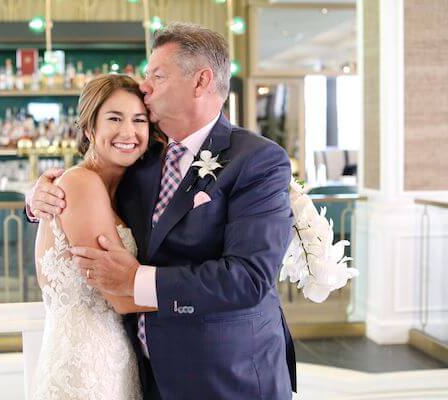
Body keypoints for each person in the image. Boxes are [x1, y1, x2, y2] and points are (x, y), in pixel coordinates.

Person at [27, 22, 297, 400]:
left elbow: (249, 278)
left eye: (157, 75)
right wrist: (39, 197)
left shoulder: (257, 160)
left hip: (227, 378)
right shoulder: (142, 158)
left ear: (200, 82)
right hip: (145, 376)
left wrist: (135, 281)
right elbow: (90, 183)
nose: (145, 86)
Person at [30, 74, 163, 399]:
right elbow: (119, 292)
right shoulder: (80, 184)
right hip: (85, 368)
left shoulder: (123, 189)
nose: (128, 132)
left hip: (113, 360)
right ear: (89, 129)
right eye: (114, 119)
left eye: (138, 120)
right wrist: (213, 295)